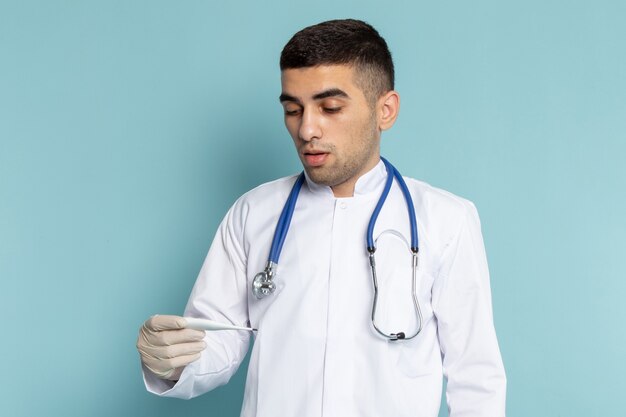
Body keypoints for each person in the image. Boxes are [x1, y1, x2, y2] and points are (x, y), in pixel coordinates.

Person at [136, 19, 506, 417]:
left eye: (330, 108)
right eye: (293, 110)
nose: (306, 129)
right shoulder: (253, 214)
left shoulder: (446, 221)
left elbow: (475, 378)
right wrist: (172, 362)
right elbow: (219, 339)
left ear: (385, 110)